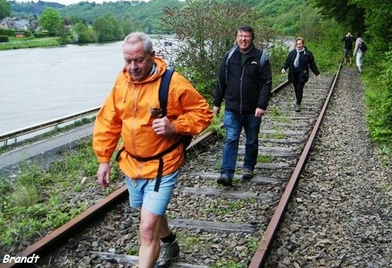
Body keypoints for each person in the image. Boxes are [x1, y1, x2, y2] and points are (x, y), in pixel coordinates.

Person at [93, 32, 212, 268]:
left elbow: (204, 113)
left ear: (152, 56)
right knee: (151, 213)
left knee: (147, 228)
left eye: (138, 60)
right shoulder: (122, 81)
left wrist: (175, 125)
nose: (132, 67)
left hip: (162, 166)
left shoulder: (172, 82)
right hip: (132, 165)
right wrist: (104, 158)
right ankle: (168, 240)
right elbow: (109, 120)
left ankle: (156, 248)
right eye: (127, 61)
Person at [213, 25, 272, 186]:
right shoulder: (229, 56)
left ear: (252, 38)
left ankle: (248, 166)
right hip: (232, 108)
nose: (243, 39)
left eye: (246, 36)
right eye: (240, 36)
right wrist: (217, 103)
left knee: (251, 139)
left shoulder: (261, 57)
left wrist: (261, 105)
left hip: (253, 109)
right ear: (236, 37)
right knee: (231, 138)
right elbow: (221, 81)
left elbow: (267, 83)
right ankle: (226, 173)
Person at [281, 37, 321, 112]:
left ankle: (298, 104)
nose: (299, 45)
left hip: (302, 74)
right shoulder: (292, 53)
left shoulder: (308, 53)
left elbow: (312, 64)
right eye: (297, 44)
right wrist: (284, 68)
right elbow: (287, 62)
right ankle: (298, 101)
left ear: (303, 44)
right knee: (296, 88)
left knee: (299, 88)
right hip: (293, 74)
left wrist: (317, 73)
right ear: (296, 44)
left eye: (300, 44)